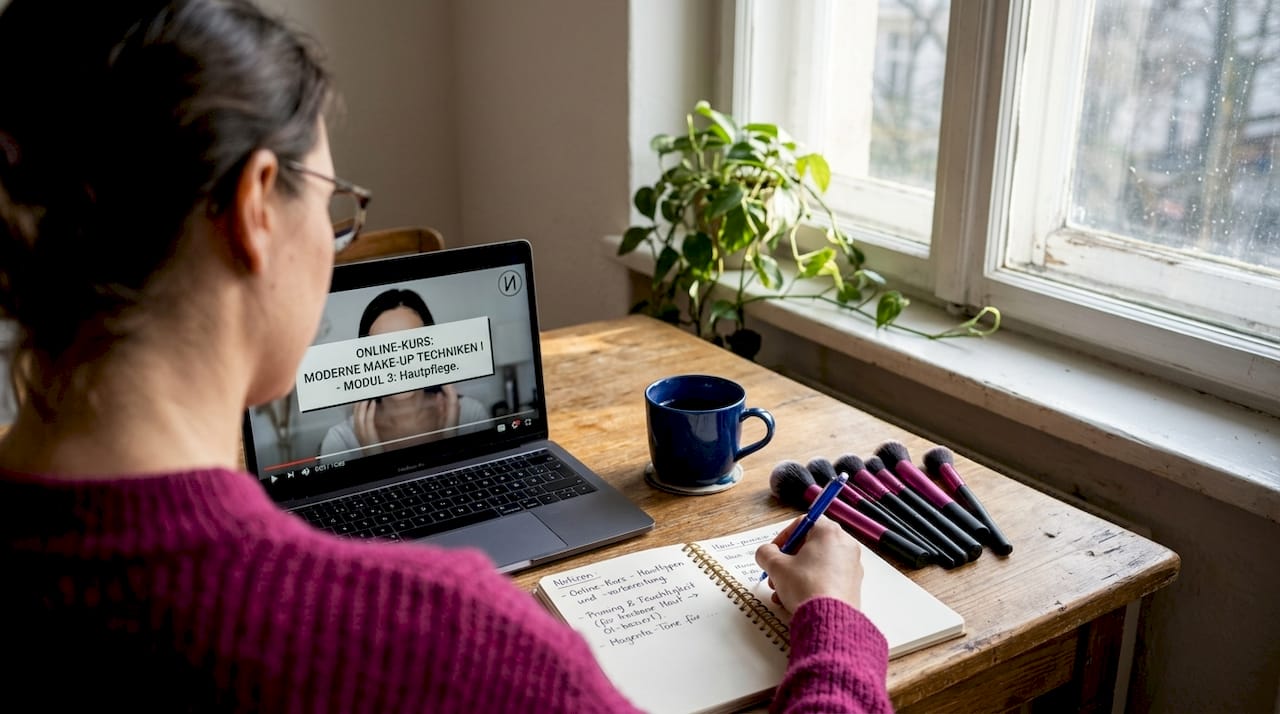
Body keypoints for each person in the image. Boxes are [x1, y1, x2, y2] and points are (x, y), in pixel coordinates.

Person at [0, 1, 893, 711]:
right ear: (256, 208)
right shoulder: (444, 641)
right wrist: (835, 627)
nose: (335, 239)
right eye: (335, 205)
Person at [319, 288, 489, 458]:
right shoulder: (340, 441)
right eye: (381, 348)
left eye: (411, 343)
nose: (399, 361)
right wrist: (373, 458)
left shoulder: (471, 416)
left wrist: (450, 442)